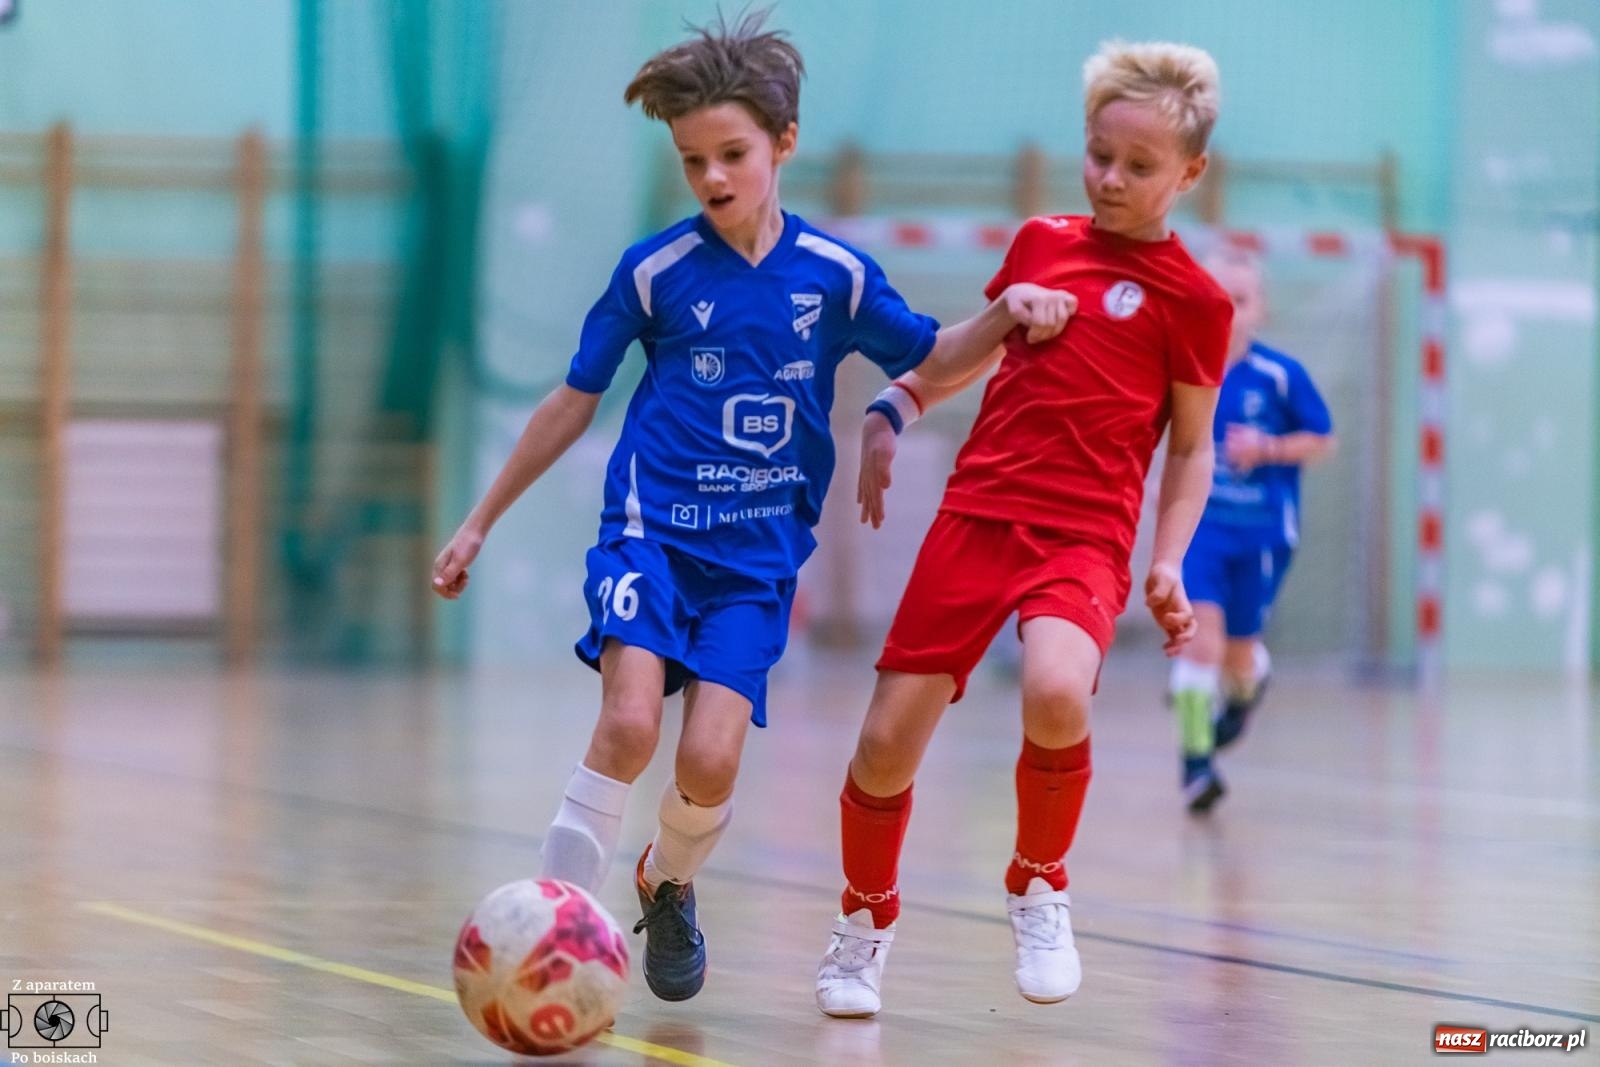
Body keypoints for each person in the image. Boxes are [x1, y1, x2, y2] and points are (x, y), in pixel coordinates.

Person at [430, 11, 1074, 1004]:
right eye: (692, 161)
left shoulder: (834, 276)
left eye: (732, 154)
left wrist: (1005, 312)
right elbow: (572, 399)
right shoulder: (655, 271)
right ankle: (554, 933)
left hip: (755, 560)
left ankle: (667, 879)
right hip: (650, 535)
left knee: (711, 760)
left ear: (784, 143)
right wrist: (479, 520)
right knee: (628, 726)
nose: (713, 177)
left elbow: (935, 356)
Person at [814, 39, 1232, 1018]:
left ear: (1189, 173)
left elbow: (1191, 448)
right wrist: (899, 402)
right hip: (976, 514)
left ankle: (1039, 882)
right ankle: (863, 921)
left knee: (1054, 690)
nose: (1110, 178)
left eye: (1138, 165)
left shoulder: (1196, 301)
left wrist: (1168, 559)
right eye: (1098, 154)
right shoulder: (1041, 241)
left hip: (1084, 533)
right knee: (883, 746)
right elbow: (967, 351)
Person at [1169, 247, 1336, 812]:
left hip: (1263, 535)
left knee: (1237, 656)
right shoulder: (1184, 370)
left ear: (1261, 309)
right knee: (1200, 643)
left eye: (1240, 300)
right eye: (1218, 297)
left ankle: (1246, 688)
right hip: (1201, 530)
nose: (1228, 310)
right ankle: (1196, 762)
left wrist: (1268, 448)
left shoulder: (1280, 376)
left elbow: (1323, 439)